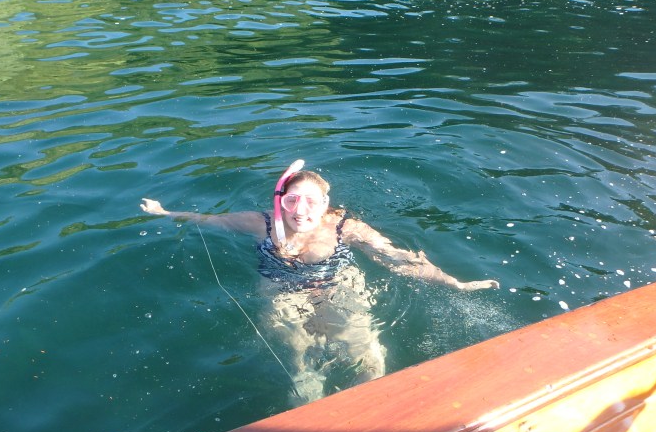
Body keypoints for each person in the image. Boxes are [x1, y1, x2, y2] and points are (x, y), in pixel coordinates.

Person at [140, 162, 498, 404]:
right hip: (281, 289)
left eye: (311, 201)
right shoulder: (260, 223)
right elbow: (208, 220)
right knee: (299, 356)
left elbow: (396, 258)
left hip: (338, 286)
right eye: (292, 200)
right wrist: (165, 212)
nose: (301, 210)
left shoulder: (346, 228)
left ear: (325, 203)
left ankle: (368, 408)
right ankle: (309, 394)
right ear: (281, 202)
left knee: (366, 357)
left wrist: (454, 283)